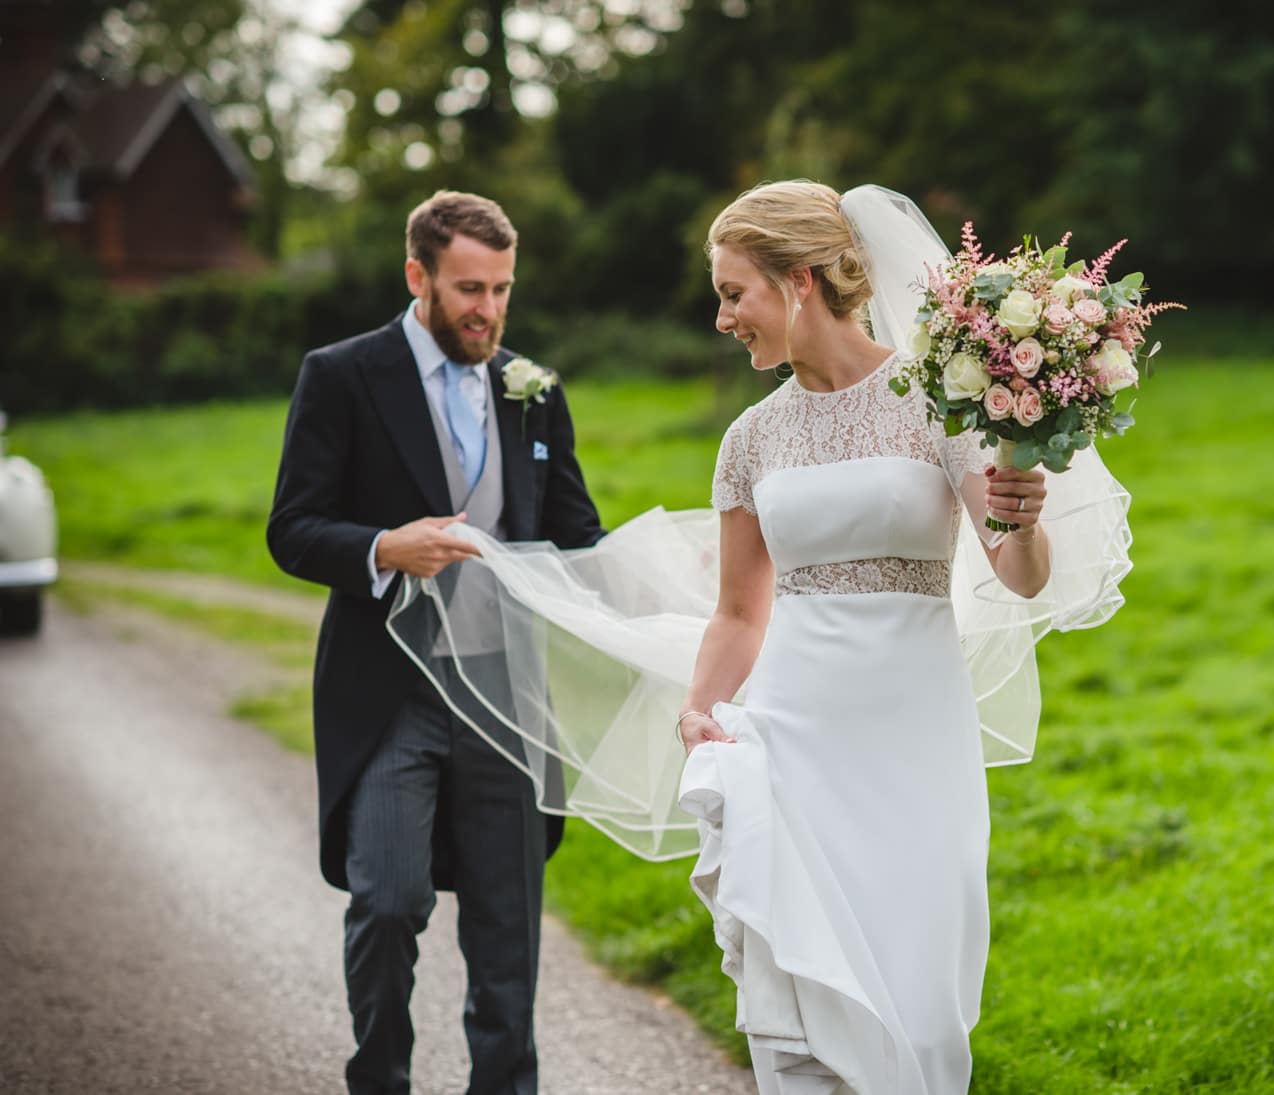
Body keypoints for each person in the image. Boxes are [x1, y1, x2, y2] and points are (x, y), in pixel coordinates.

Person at [385, 181, 1132, 1094]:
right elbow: (741, 611)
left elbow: (1020, 575)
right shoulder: (749, 439)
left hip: (916, 736)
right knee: (804, 999)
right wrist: (700, 708)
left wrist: (1023, 512)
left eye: (735, 291)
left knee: (920, 993)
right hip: (792, 733)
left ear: (800, 280)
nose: (722, 316)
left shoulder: (941, 400)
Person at [266, 189, 604, 1095]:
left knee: (508, 928)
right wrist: (383, 547)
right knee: (386, 900)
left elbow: (576, 535)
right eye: (467, 288)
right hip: (393, 692)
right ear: (417, 275)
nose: (487, 310)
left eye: (500, 288)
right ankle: (378, 1078)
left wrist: (662, 574)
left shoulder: (535, 392)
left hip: (504, 696)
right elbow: (291, 528)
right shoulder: (341, 374)